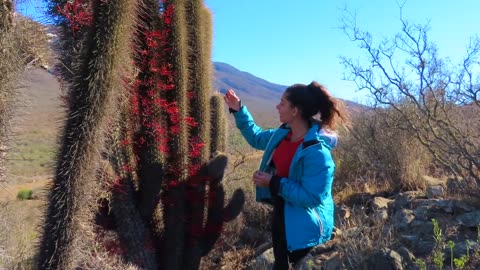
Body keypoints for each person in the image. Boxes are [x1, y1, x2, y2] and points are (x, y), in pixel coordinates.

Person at [224, 81, 349, 269]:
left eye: (282, 103)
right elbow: (257, 137)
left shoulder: (317, 153)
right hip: (284, 214)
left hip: (307, 227)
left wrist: (274, 182)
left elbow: (312, 197)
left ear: (295, 111)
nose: (277, 106)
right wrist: (239, 110)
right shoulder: (284, 134)